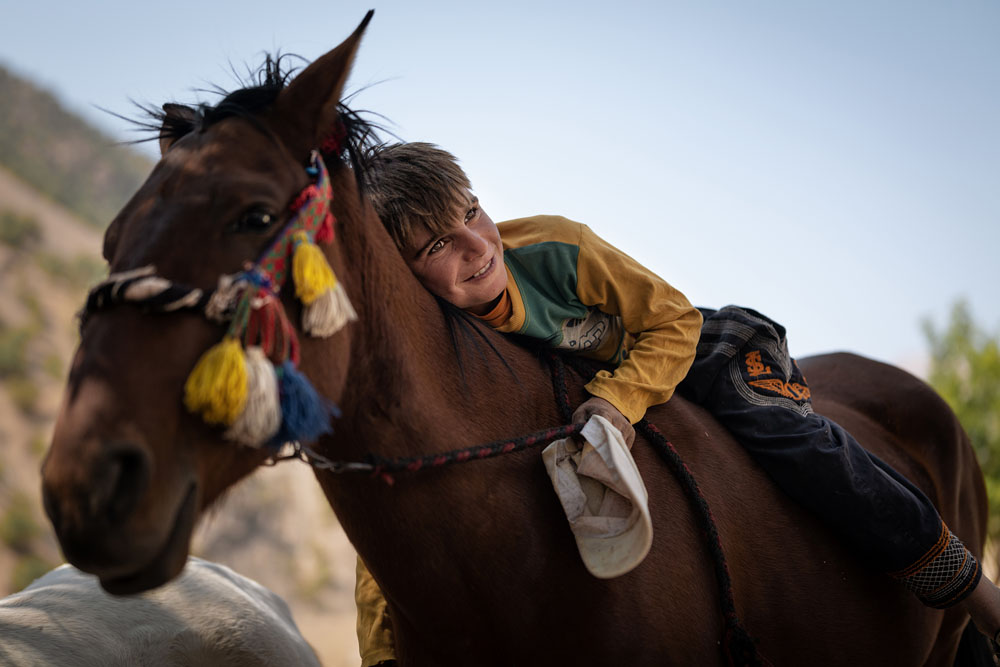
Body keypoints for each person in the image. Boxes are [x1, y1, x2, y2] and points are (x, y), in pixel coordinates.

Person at [353, 142, 1000, 665]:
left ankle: (977, 595)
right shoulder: (442, 348)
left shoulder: (557, 247)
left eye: (472, 211)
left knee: (791, 441)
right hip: (602, 382)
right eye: (437, 244)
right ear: (404, 275)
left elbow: (673, 319)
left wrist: (615, 397)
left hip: (699, 347)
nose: (475, 244)